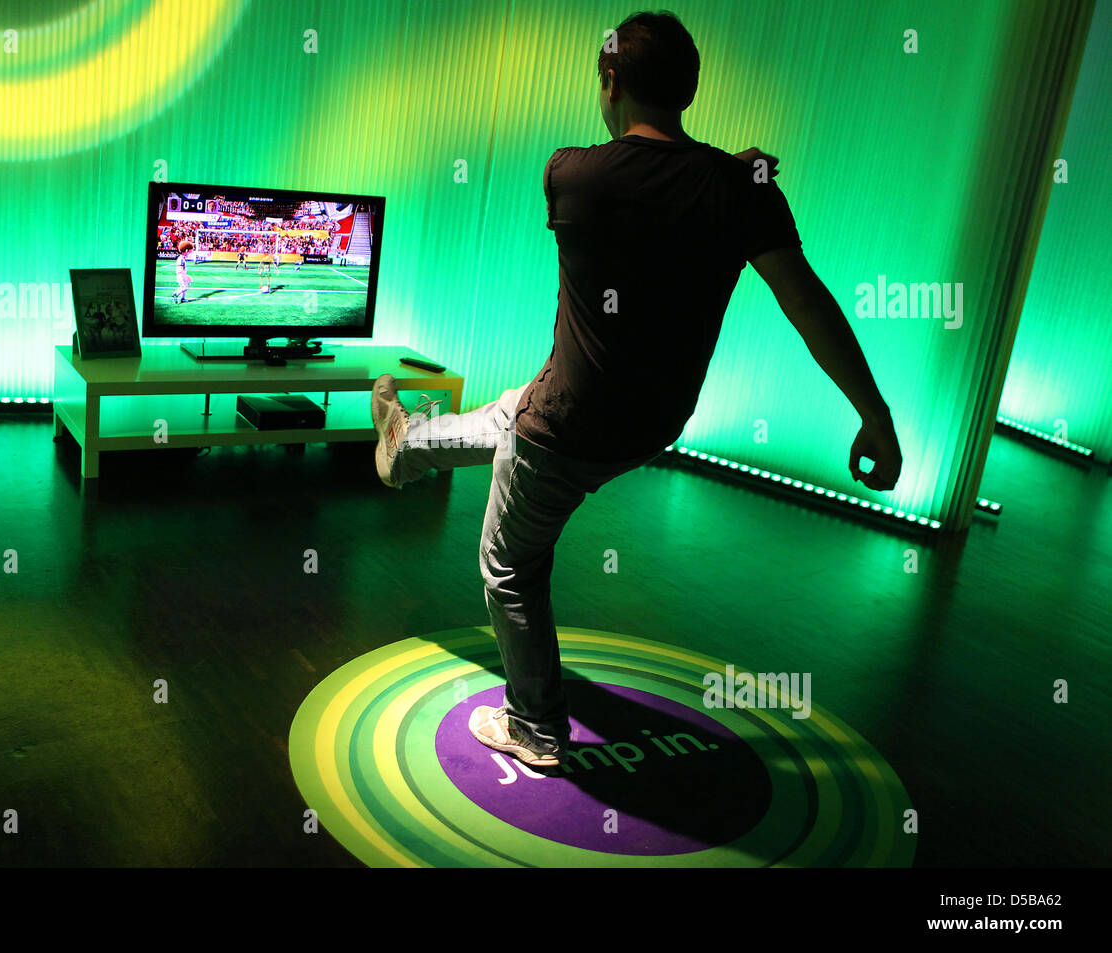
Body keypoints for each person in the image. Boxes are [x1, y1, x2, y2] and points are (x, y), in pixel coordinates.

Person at [371, 11, 902, 768]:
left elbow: (648, 195)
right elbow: (807, 302)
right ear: (688, 89)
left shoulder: (570, 172)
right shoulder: (743, 189)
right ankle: (407, 444)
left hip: (567, 423)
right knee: (504, 416)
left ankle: (535, 725)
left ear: (610, 80)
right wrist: (873, 414)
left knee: (511, 564)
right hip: (648, 422)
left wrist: (727, 172)